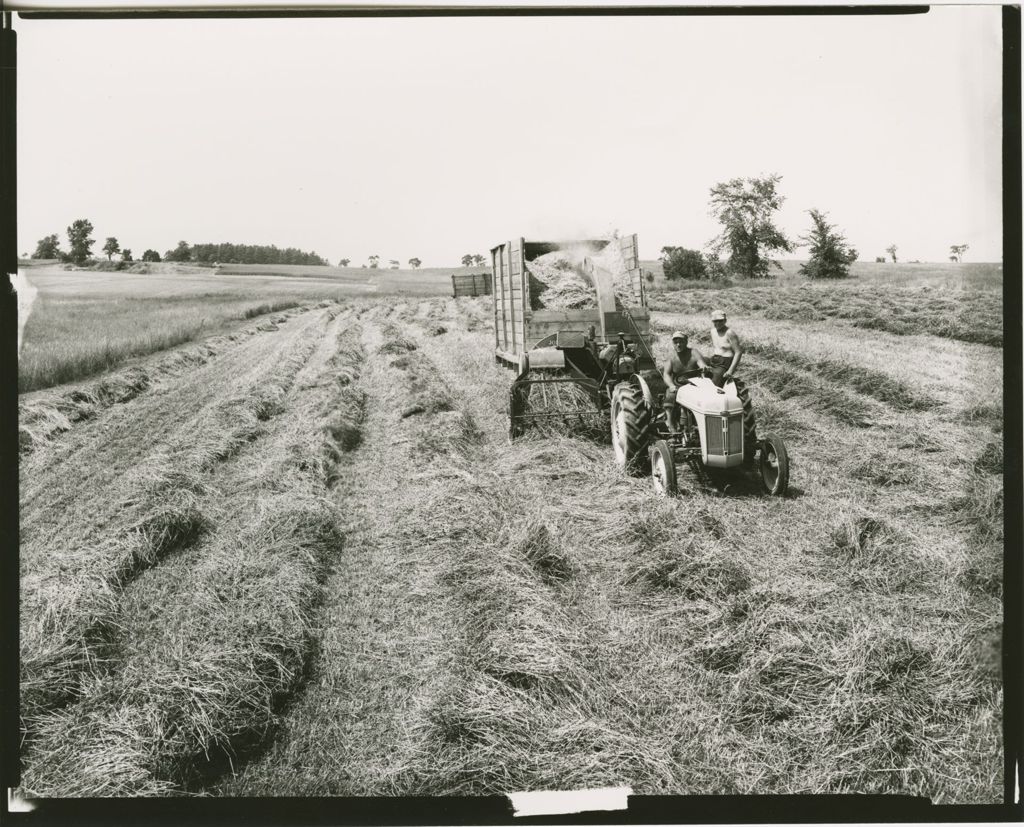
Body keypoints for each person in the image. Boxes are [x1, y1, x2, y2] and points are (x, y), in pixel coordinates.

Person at [661, 331, 707, 431]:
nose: (678, 344)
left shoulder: (693, 352)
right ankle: (671, 425)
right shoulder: (671, 356)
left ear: (686, 342)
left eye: (681, 341)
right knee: (670, 396)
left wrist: (704, 367)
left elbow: (701, 363)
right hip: (677, 385)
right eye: (675, 342)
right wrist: (671, 385)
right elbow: (666, 374)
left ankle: (702, 425)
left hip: (694, 384)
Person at [709, 309, 742, 388]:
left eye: (720, 321)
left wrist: (731, 370)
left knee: (713, 384)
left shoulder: (730, 333)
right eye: (715, 321)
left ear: (725, 321)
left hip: (725, 362)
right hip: (715, 359)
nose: (717, 323)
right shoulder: (713, 331)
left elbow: (738, 352)